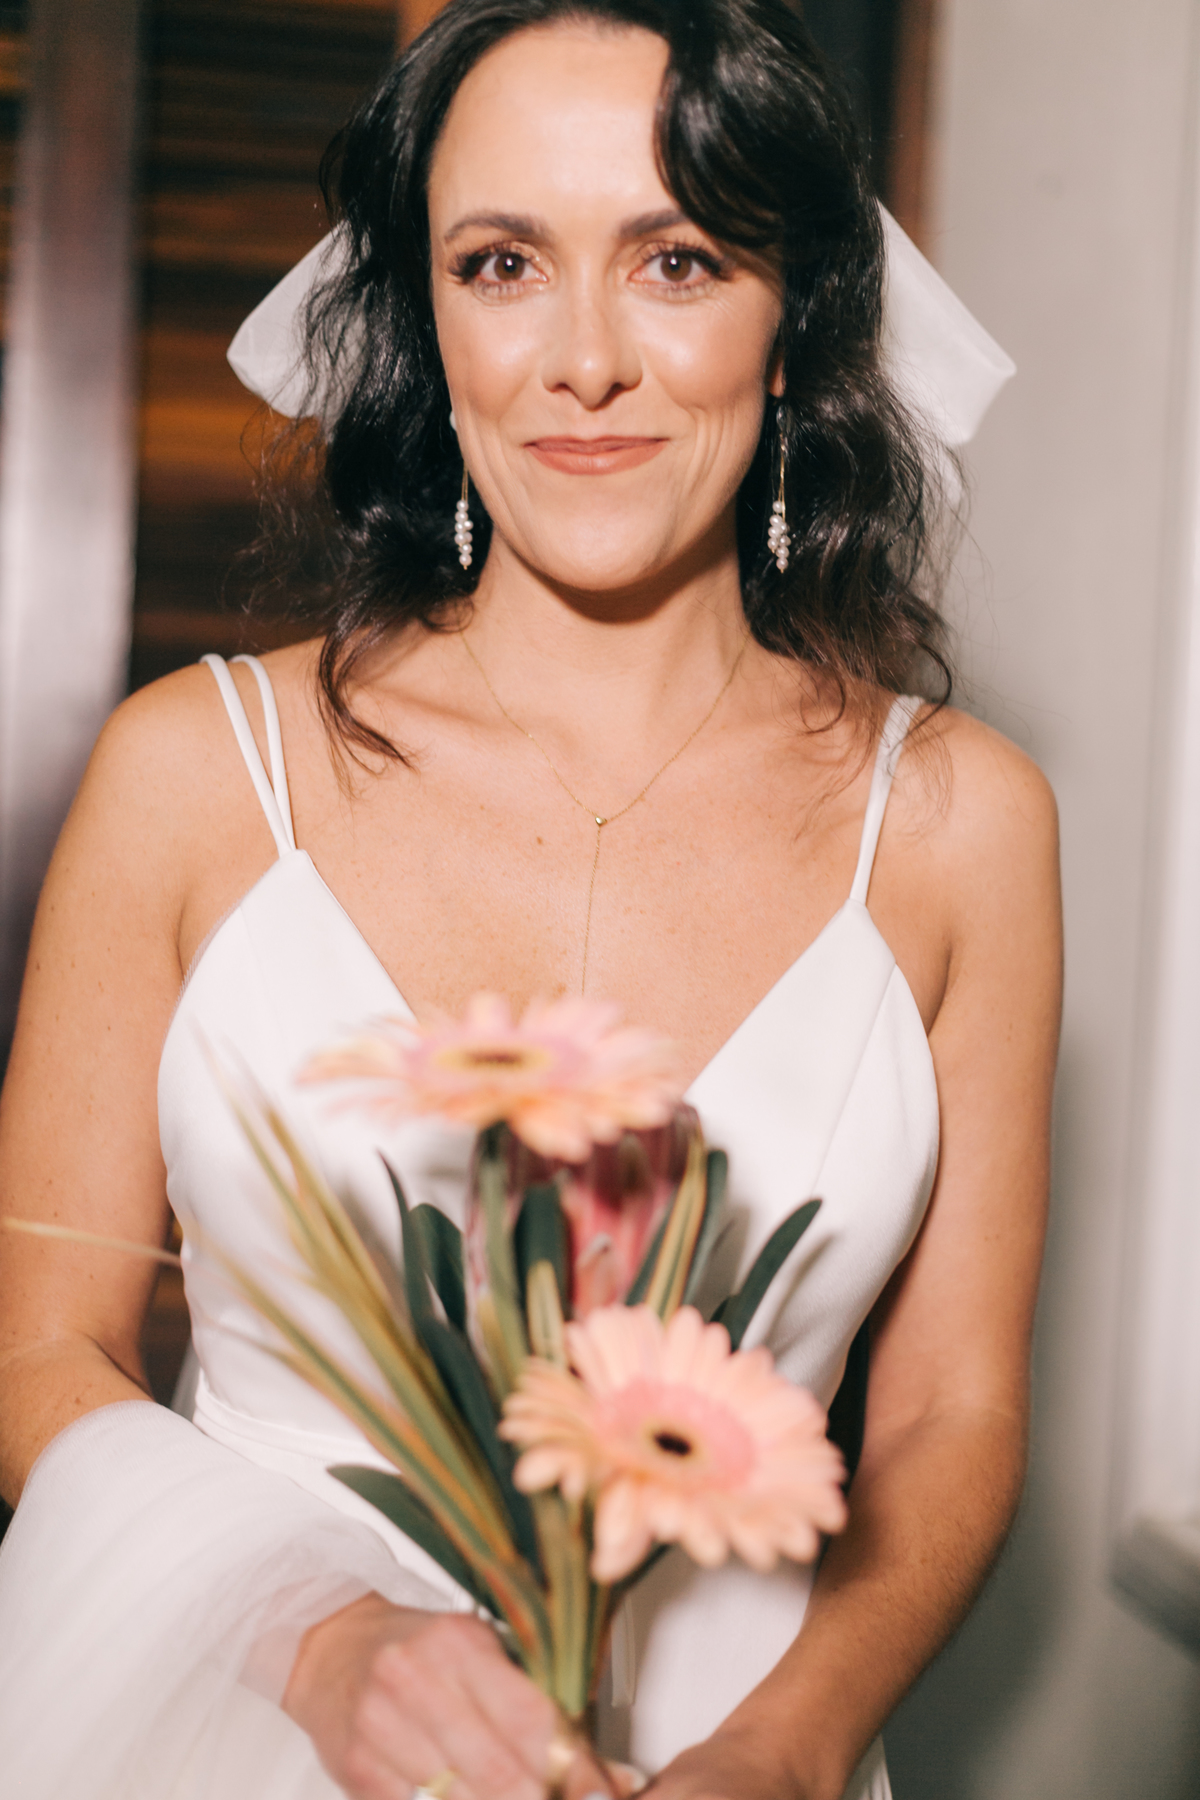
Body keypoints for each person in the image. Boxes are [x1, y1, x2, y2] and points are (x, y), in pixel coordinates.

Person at [0, 3, 1060, 1798]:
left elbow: (955, 1415)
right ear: (428, 322)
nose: (584, 360)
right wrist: (312, 1639)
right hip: (230, 1725)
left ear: (793, 323)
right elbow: (39, 1345)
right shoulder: (192, 773)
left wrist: (786, 1747)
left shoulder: (964, 826)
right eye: (501, 264)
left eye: (677, 261)